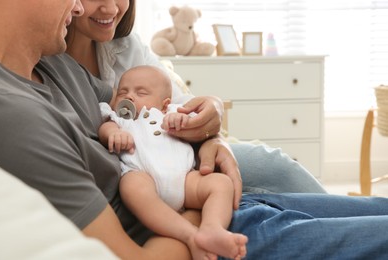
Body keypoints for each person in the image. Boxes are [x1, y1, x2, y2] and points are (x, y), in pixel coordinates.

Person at [0, 0, 388, 260]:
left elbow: (164, 108)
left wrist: (211, 128)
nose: (82, 5)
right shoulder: (15, 115)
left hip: (219, 205)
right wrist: (197, 226)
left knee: (297, 175)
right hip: (210, 233)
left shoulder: (56, 66)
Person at [65, 0, 327, 195]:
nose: (111, 8)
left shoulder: (127, 45)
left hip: (179, 155)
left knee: (274, 166)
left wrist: (211, 121)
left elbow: (183, 104)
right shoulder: (48, 69)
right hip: (137, 178)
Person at [99, 65, 248, 259]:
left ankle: (213, 228)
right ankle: (187, 233)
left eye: (141, 92)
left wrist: (181, 120)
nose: (130, 97)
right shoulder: (120, 120)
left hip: (185, 180)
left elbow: (201, 122)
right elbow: (105, 129)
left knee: (221, 183)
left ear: (164, 103)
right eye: (123, 92)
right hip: (142, 175)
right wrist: (114, 134)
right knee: (131, 187)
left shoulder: (172, 113)